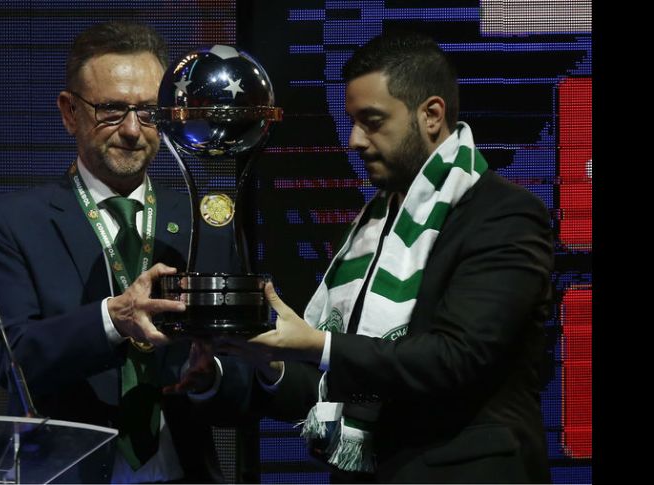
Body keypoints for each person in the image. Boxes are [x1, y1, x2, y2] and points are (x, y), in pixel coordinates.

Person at [226, 30, 554, 483]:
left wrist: (318, 346)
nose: (356, 140)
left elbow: (455, 358)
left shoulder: (505, 215)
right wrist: (271, 361)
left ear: (431, 115)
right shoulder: (375, 224)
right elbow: (340, 378)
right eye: (352, 121)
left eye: (373, 121)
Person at [0, 21, 252, 483]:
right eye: (112, 110)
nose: (132, 131)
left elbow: (244, 374)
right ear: (69, 113)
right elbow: (11, 359)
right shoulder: (10, 223)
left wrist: (214, 378)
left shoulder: (206, 221)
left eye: (148, 111)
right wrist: (111, 319)